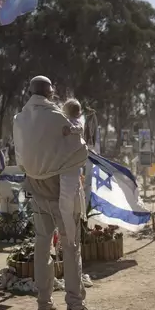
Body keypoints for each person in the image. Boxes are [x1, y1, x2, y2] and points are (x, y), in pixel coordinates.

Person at [13, 76, 98, 310]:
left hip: (37, 191)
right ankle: (75, 306)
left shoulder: (19, 120)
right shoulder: (56, 117)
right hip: (62, 191)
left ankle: (43, 304)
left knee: (42, 246)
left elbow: (21, 157)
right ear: (50, 93)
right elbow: (79, 151)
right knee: (71, 247)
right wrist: (77, 130)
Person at [60, 98, 86, 246]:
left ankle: (70, 240)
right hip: (69, 170)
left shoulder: (75, 124)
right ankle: (70, 239)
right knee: (69, 207)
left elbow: (77, 129)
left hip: (70, 171)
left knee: (67, 208)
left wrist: (69, 130)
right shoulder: (66, 122)